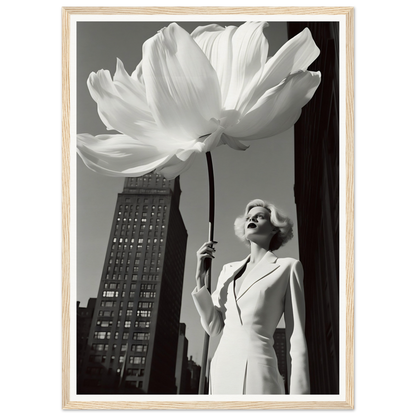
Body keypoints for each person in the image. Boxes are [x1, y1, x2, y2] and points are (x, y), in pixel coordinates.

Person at [192, 199, 310, 395]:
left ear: (274, 228)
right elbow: (213, 327)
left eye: (259, 216)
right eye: (248, 217)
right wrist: (199, 280)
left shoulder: (288, 267)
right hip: (221, 371)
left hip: (259, 371)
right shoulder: (228, 270)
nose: (252, 219)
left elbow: (296, 338)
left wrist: (301, 400)